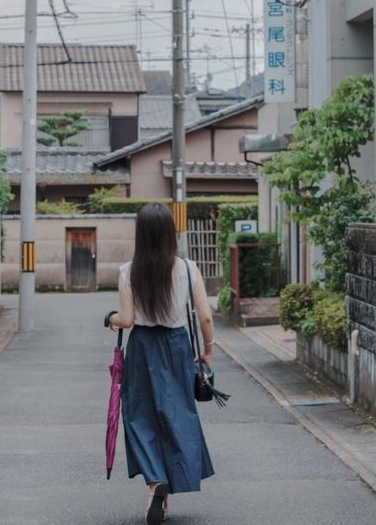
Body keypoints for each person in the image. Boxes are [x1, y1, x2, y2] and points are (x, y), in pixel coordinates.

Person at [108, 202, 215, 525]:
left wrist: (109, 319)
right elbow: (206, 316)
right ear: (171, 233)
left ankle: (156, 482)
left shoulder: (128, 271)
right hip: (176, 345)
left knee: (139, 416)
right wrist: (208, 349)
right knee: (176, 413)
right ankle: (165, 488)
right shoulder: (187, 267)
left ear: (141, 234)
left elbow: (126, 320)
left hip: (142, 345)